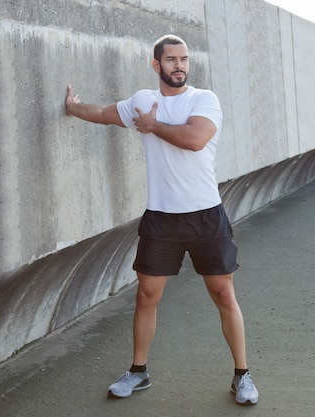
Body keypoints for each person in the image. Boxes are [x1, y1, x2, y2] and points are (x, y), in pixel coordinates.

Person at [64, 34, 258, 405]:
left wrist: (153, 127)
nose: (179, 65)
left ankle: (242, 375)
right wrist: (74, 109)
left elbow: (195, 139)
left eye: (184, 59)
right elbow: (106, 114)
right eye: (171, 60)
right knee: (146, 296)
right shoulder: (143, 101)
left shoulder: (204, 100)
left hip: (205, 216)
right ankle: (138, 372)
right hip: (161, 219)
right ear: (157, 65)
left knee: (223, 294)